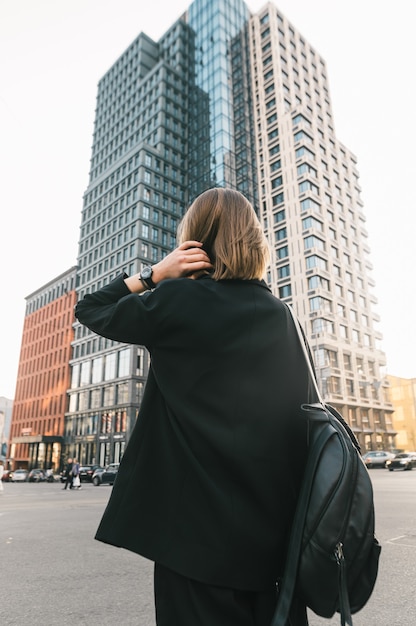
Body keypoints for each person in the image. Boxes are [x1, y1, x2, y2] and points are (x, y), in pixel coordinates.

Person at [75, 188, 315, 625]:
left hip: (191, 539)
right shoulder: (280, 315)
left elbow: (91, 308)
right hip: (272, 542)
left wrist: (156, 273)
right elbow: (301, 422)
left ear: (195, 242)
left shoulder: (176, 303)